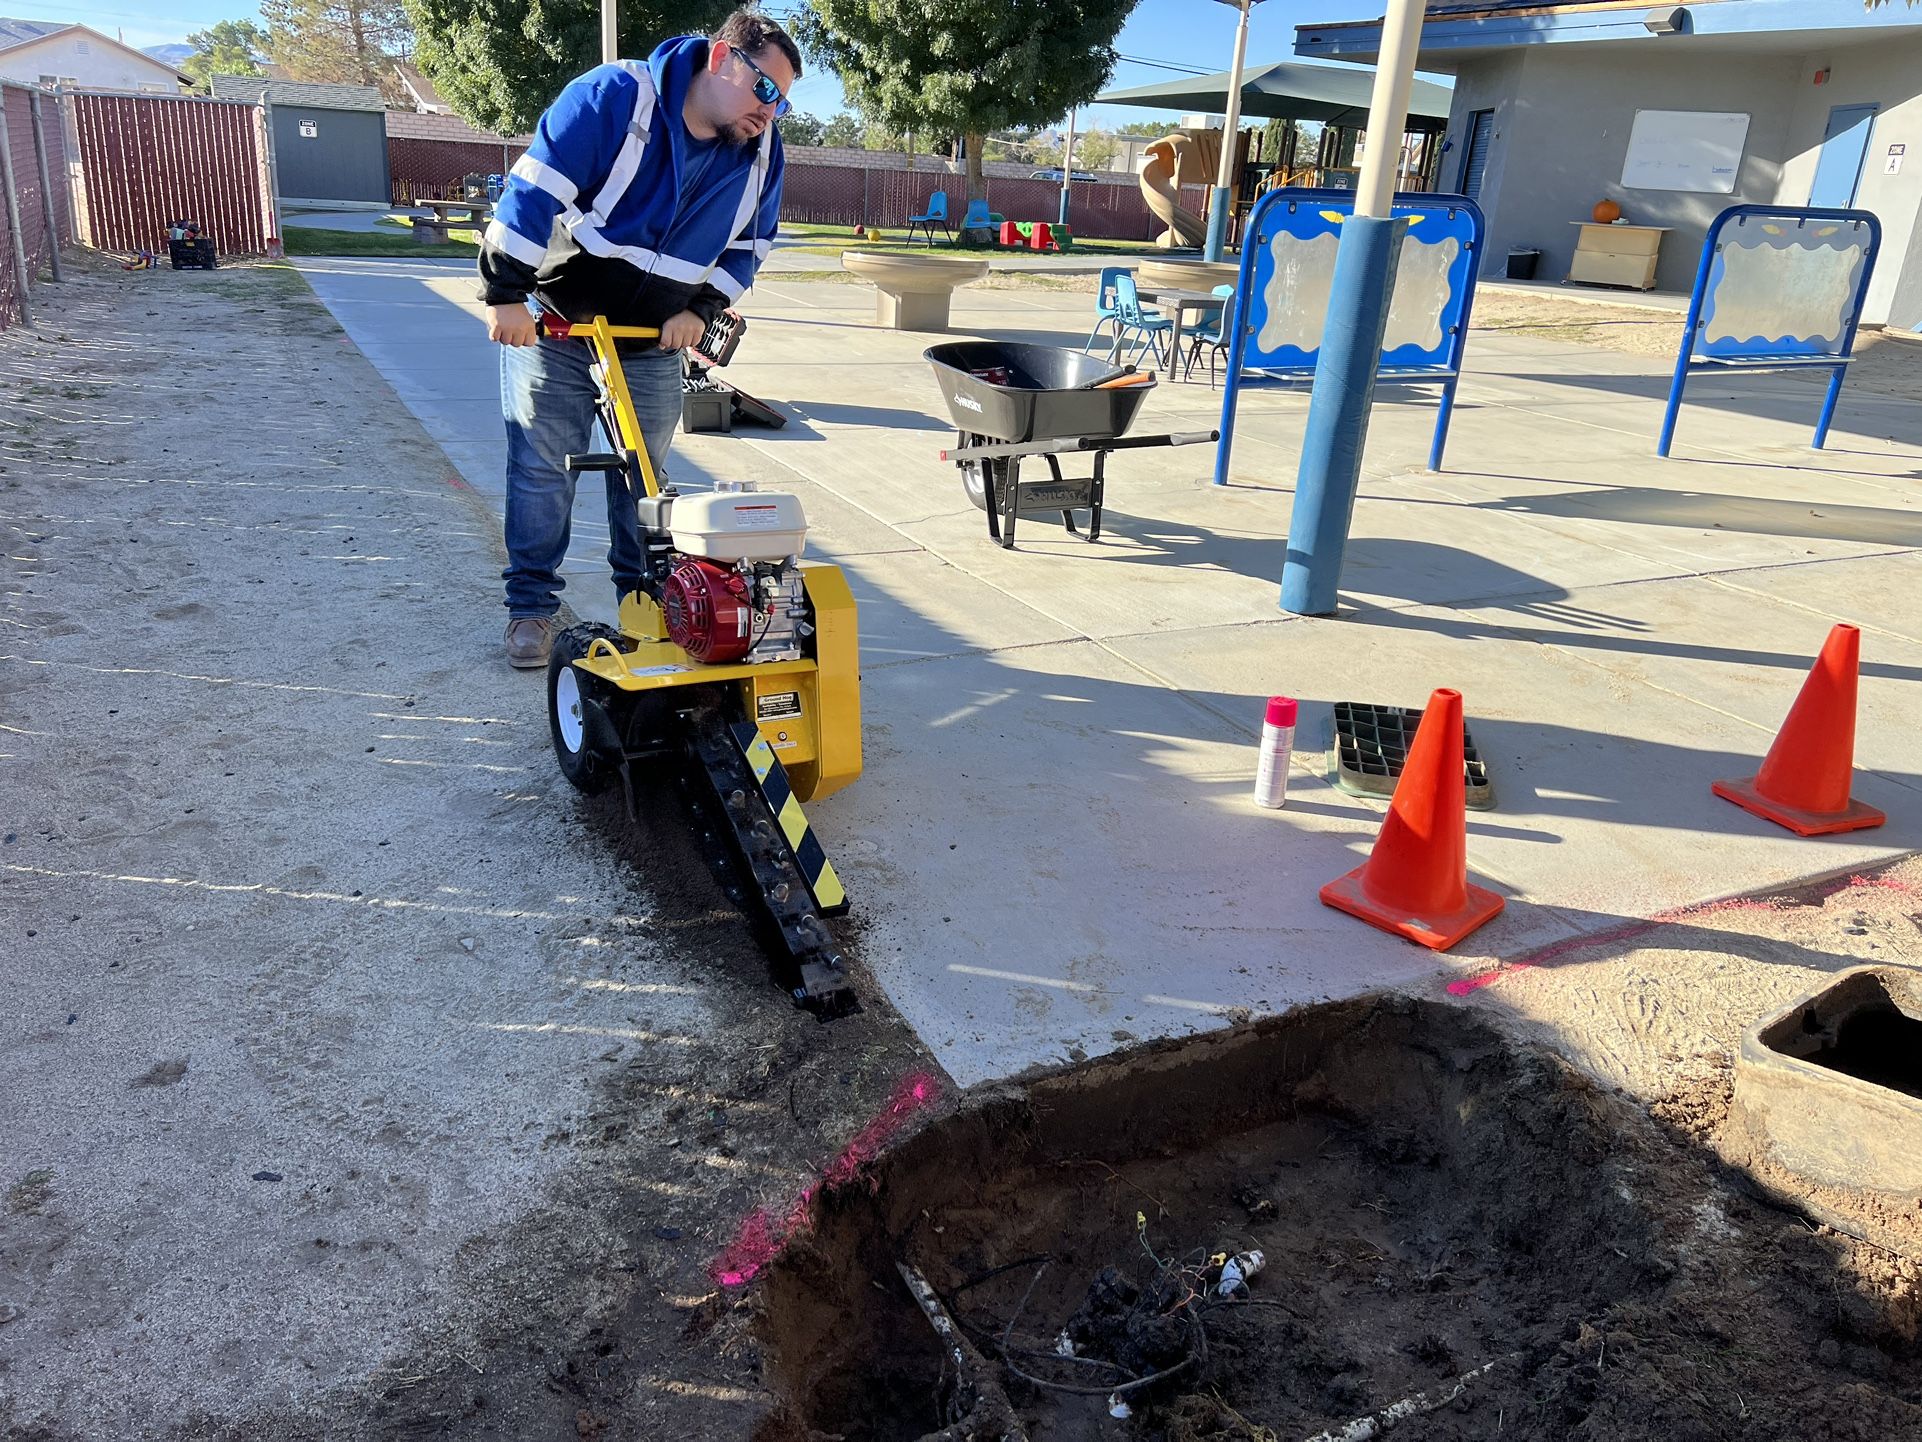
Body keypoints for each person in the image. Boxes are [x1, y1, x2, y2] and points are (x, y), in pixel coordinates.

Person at [477, 9, 799, 667]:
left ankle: (648, 604)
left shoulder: (760, 151)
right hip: (556, 320)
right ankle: (531, 608)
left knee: (646, 479)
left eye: (783, 102)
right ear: (720, 60)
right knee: (543, 471)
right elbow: (533, 190)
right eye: (764, 89)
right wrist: (507, 292)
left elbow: (752, 246)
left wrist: (702, 310)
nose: (770, 112)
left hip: (654, 336)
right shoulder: (615, 98)